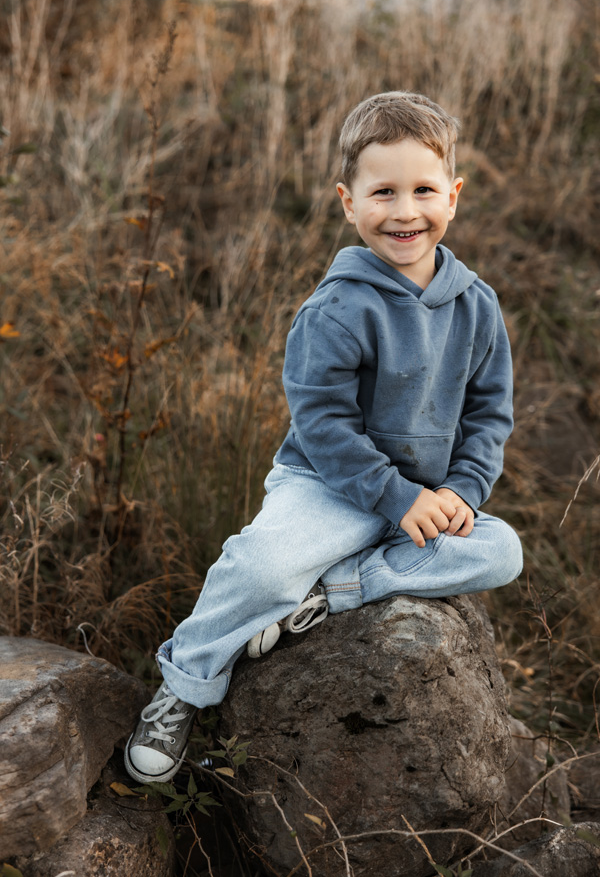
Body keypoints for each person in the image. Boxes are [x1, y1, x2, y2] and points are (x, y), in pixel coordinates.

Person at [124, 90, 523, 784]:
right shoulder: (336, 308)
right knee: (258, 566)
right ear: (348, 201)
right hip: (331, 487)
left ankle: (332, 591)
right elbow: (323, 424)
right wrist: (391, 496)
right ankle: (183, 685)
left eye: (423, 190)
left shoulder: (476, 306)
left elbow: (490, 414)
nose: (405, 211)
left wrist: (461, 489)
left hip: (425, 497)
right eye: (383, 192)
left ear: (453, 197)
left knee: (500, 549)